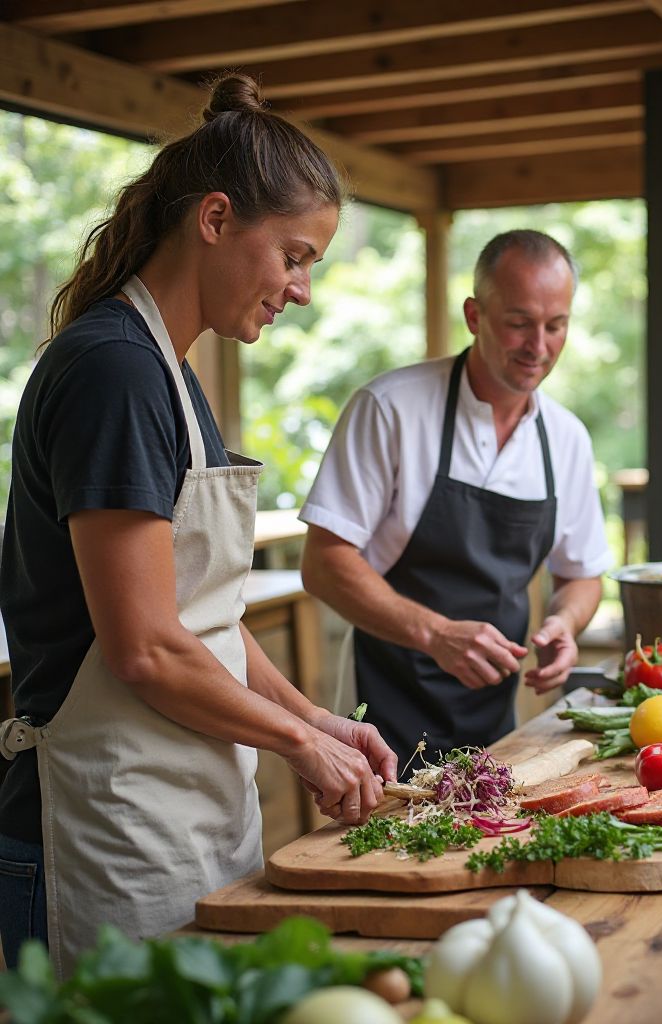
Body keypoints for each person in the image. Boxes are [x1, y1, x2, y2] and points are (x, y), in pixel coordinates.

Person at [0, 74, 396, 977]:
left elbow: (200, 620)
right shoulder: (113, 372)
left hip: (178, 817)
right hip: (99, 831)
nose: (300, 290)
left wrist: (316, 722)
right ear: (215, 219)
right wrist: (295, 742)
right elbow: (143, 646)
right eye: (293, 256)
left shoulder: (170, 376)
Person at [300, 230, 611, 770]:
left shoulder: (567, 438)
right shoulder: (390, 409)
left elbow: (582, 575)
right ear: (474, 315)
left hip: (495, 724)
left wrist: (565, 623)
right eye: (518, 323)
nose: (538, 345)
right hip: (380, 712)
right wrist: (437, 634)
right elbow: (323, 565)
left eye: (555, 325)